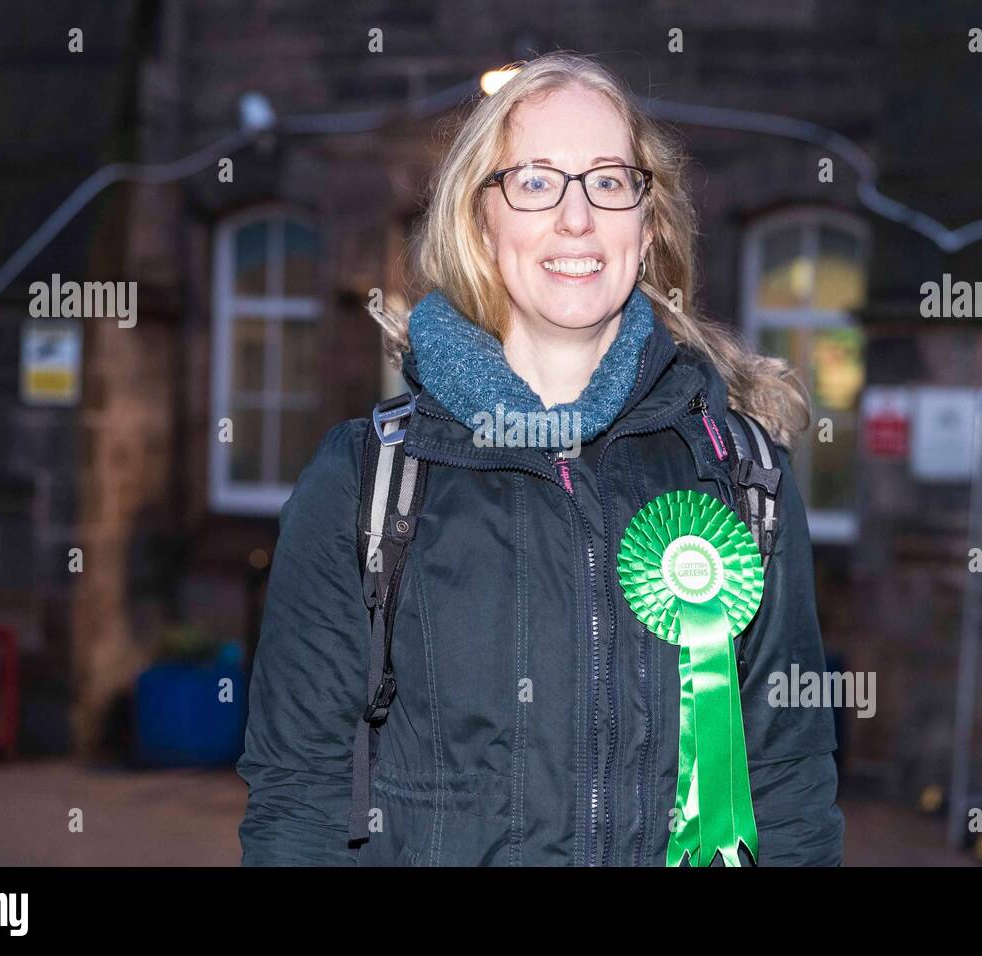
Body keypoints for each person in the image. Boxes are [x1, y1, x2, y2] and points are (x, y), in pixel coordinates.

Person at [237, 50, 843, 866]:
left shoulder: (744, 479)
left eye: (607, 181)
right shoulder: (366, 482)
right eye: (534, 182)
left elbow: (791, 792)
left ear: (648, 219)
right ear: (479, 220)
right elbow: (296, 801)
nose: (576, 218)